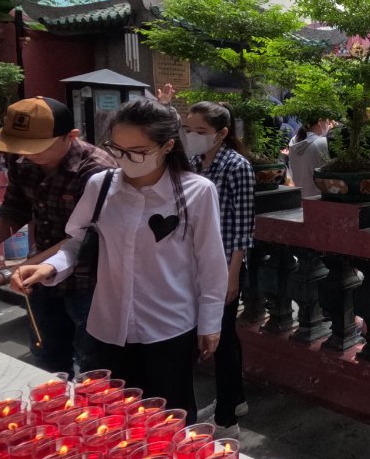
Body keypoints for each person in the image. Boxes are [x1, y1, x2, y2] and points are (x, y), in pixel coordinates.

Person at [12, 98, 228, 421]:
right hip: (109, 326)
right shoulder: (101, 186)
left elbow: (211, 263)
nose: (126, 160)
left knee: (169, 418)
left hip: (169, 327)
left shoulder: (197, 191)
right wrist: (49, 267)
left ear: (167, 145)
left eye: (138, 152)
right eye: (118, 149)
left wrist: (211, 323)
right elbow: (78, 241)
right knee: (115, 417)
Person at [0, 97, 115, 374]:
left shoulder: (97, 170)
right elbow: (15, 208)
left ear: (70, 136)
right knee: (47, 359)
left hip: (91, 280)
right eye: (19, 147)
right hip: (37, 278)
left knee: (94, 366)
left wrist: (5, 274)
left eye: (36, 148)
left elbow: (83, 238)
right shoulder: (22, 161)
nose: (26, 155)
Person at [182, 101, 256, 437]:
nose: (192, 137)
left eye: (200, 132)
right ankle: (235, 398)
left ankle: (228, 420)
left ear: (222, 133)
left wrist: (232, 275)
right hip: (195, 261)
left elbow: (242, 227)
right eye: (189, 130)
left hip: (224, 264)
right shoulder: (195, 162)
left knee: (220, 336)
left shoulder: (236, 165)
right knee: (226, 338)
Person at [287, 115, 334, 201]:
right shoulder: (321, 143)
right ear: (320, 122)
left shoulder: (293, 141)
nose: (329, 124)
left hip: (302, 198)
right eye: (328, 122)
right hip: (320, 198)